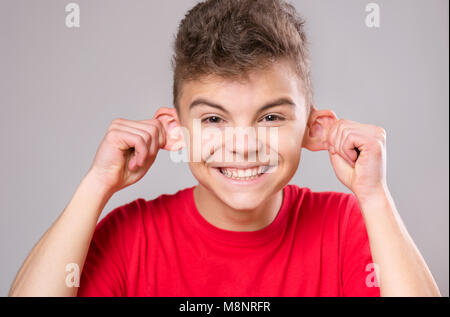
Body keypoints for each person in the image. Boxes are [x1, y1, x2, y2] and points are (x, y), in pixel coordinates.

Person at [9, 0, 440, 297]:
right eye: (214, 119)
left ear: (313, 129)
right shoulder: (132, 237)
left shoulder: (348, 226)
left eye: (271, 117)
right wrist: (96, 184)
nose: (243, 145)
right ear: (175, 132)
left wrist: (375, 196)